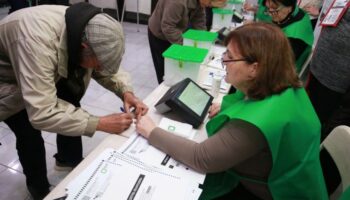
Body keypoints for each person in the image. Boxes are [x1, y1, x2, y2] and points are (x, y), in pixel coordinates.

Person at [136, 22, 328, 199]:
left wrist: (151, 131)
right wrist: (232, 107)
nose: (224, 60)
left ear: (254, 69)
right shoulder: (284, 85)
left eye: (230, 56)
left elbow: (200, 157)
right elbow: (249, 103)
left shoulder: (255, 125)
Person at [0, 2, 148, 199]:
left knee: (70, 103)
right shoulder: (37, 43)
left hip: (33, 65)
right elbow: (42, 112)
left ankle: (68, 160)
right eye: (97, 64)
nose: (98, 69)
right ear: (83, 47)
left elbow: (102, 67)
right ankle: (40, 190)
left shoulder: (83, 27)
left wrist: (126, 92)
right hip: (7, 81)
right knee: (29, 132)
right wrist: (99, 123)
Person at [306, 9, 349, 195]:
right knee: (310, 123)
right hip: (321, 71)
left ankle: (313, 184)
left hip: (338, 84)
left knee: (326, 135)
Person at [148, 0, 221, 84]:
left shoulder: (200, 2)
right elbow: (168, 27)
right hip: (159, 34)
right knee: (166, 72)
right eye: (210, 3)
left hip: (175, 29)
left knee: (180, 69)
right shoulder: (177, 2)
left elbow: (199, 20)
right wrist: (185, 45)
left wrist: (203, 40)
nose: (208, 6)